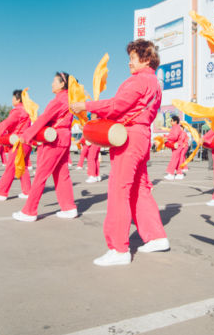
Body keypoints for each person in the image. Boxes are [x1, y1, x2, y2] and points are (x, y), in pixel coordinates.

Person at [71, 39, 168, 266]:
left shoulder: (137, 81)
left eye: (133, 58)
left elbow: (117, 105)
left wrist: (87, 106)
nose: (129, 63)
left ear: (145, 58)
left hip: (128, 137)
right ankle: (156, 236)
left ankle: (118, 248)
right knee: (140, 189)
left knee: (119, 190)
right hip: (143, 135)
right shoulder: (155, 83)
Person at [13, 73, 77, 221]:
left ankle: (29, 212)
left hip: (55, 139)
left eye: (54, 81)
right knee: (62, 174)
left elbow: (44, 118)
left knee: (41, 175)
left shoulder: (59, 99)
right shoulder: (69, 97)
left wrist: (27, 134)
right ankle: (69, 207)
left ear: (62, 84)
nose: (51, 84)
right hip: (64, 137)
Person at [0, 90, 33, 201]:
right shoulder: (27, 110)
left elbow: (7, 122)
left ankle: (1, 193)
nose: (12, 100)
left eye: (13, 98)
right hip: (26, 141)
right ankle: (27, 191)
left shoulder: (18, 110)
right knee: (23, 166)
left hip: (18, 141)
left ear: (18, 99)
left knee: (11, 167)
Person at [164, 115, 187, 180]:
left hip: (177, 145)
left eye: (171, 121)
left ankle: (171, 174)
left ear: (175, 121)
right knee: (177, 159)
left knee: (174, 159)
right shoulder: (175, 127)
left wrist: (167, 138)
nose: (170, 122)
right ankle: (179, 173)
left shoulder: (176, 127)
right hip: (176, 145)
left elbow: (174, 136)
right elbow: (172, 135)